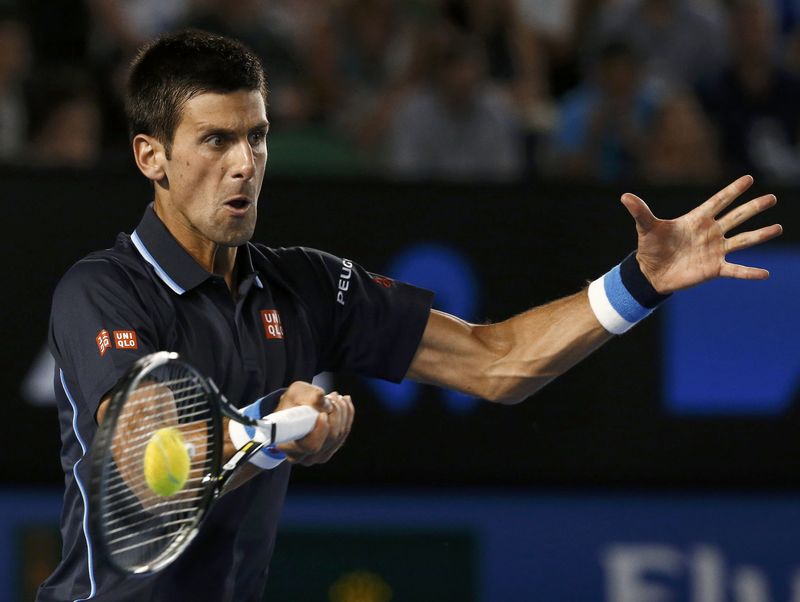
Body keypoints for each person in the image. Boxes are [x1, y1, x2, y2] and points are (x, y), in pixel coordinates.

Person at [37, 29, 782, 602]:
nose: (244, 164)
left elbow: (496, 363)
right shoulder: (101, 291)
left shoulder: (306, 285)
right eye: (216, 140)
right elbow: (139, 471)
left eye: (257, 137)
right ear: (150, 157)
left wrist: (639, 281)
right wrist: (269, 429)